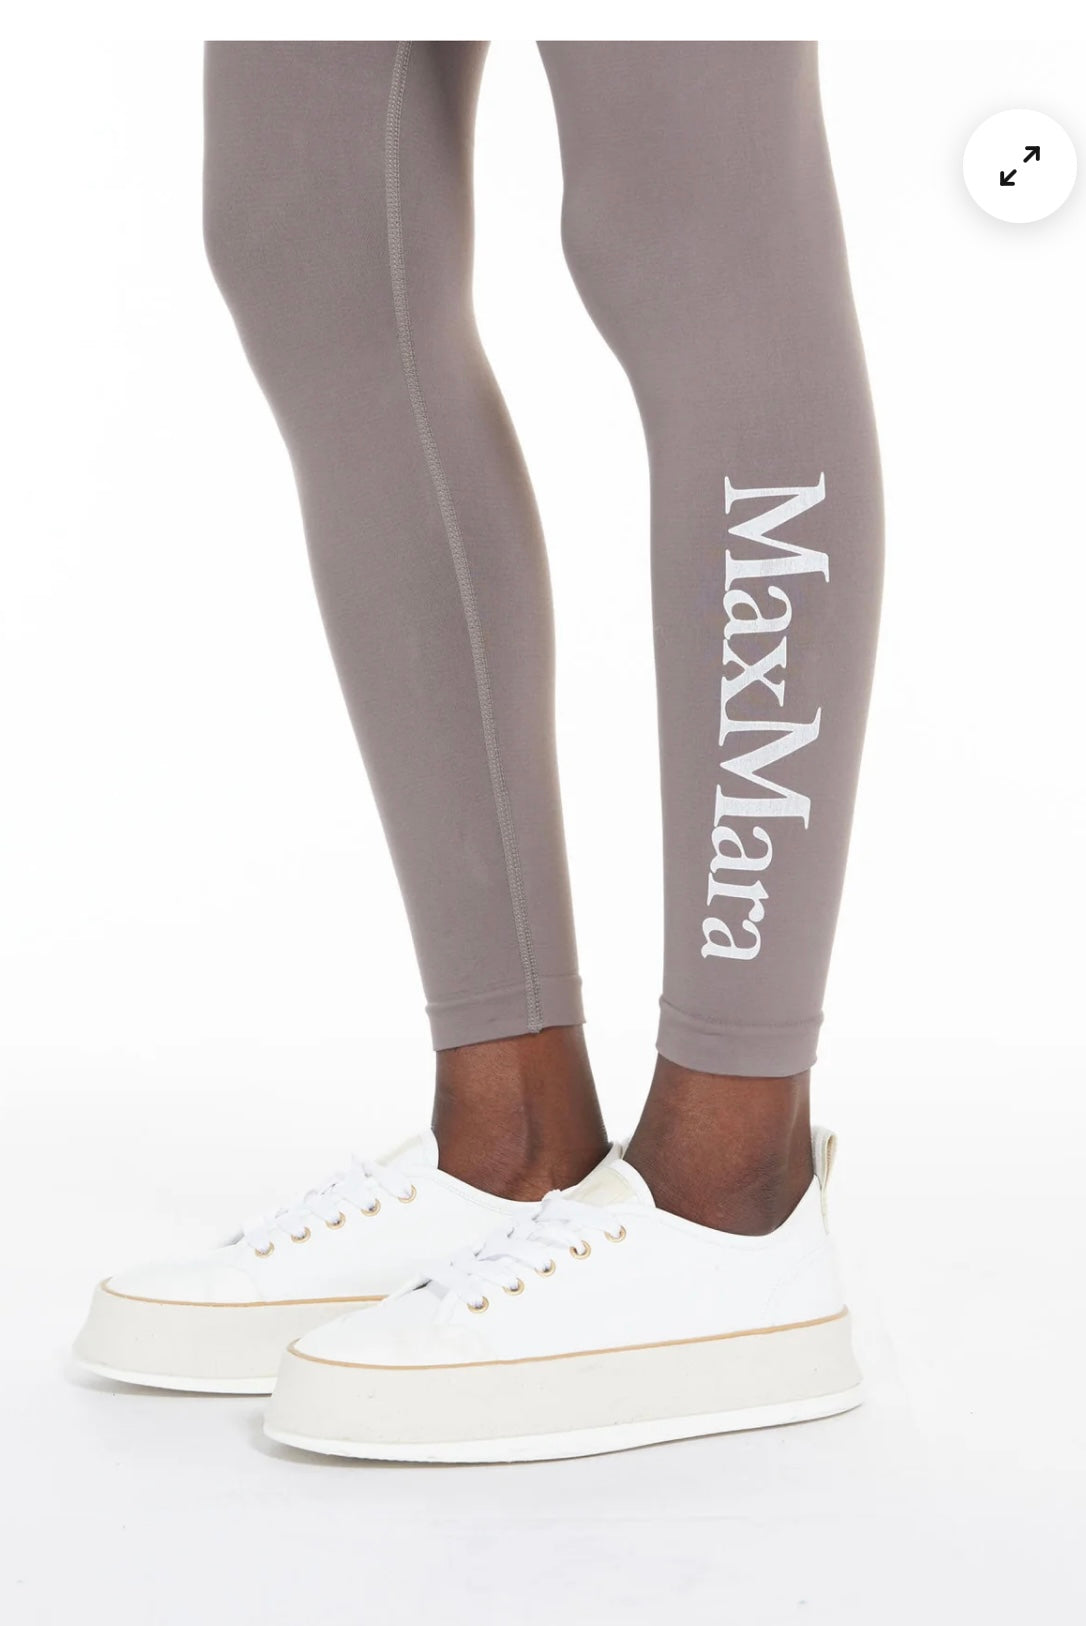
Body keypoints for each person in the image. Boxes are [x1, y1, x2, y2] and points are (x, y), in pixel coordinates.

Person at [74, 40, 882, 1462]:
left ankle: (732, 1192)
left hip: (735, 1196)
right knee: (305, 230)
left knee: (690, 213)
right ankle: (512, 1143)